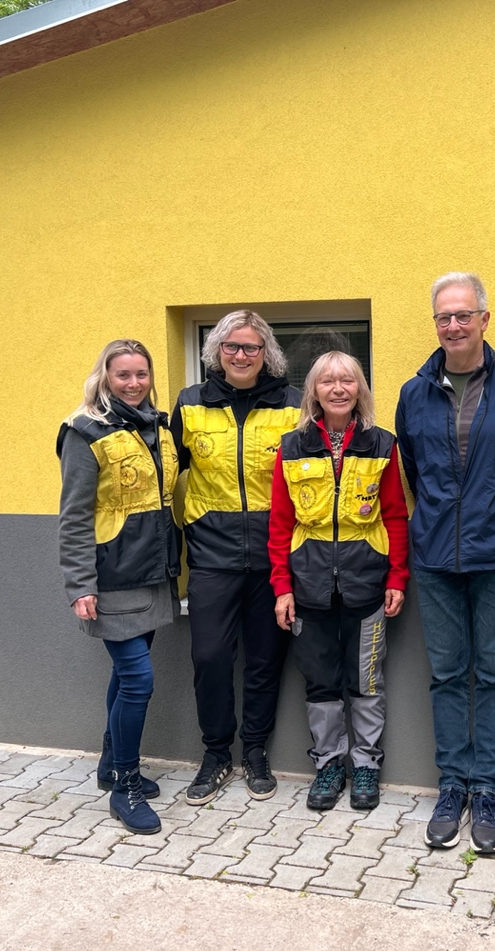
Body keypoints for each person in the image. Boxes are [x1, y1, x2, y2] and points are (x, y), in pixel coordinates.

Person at [394, 272, 495, 854]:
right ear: (435, 323)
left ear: (485, 318)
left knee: (493, 675)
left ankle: (485, 789)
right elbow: (414, 470)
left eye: (464, 315)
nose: (454, 325)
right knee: (445, 675)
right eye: (444, 317)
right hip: (435, 556)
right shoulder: (414, 392)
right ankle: (452, 785)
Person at [268, 352, 410, 811]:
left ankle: (366, 764)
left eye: (347, 380)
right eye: (327, 381)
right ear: (313, 390)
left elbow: (395, 516)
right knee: (321, 683)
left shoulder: (381, 444)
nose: (337, 388)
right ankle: (329, 763)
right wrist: (282, 587)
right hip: (308, 588)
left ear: (359, 389)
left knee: (366, 681)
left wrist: (397, 577)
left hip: (367, 585)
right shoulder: (291, 447)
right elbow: (280, 523)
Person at [171, 311, 301, 804]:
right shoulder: (191, 404)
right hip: (211, 556)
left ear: (266, 353)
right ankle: (216, 753)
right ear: (216, 351)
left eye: (250, 347)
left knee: (265, 660)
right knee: (209, 657)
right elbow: (166, 471)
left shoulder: (292, 406)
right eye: (231, 346)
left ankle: (255, 751)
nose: (241, 355)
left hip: (274, 558)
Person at [57, 339, 181, 836]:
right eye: (123, 374)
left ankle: (111, 764)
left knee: (126, 675)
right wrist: (80, 584)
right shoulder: (84, 431)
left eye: (141, 374)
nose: (133, 383)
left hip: (152, 571)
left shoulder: (157, 427)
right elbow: (73, 516)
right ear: (105, 377)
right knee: (139, 680)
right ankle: (125, 787)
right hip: (111, 576)